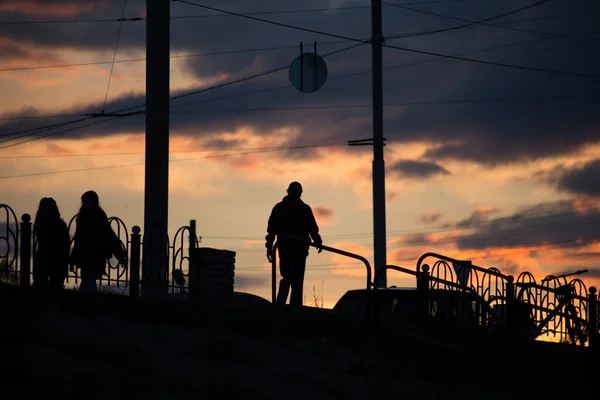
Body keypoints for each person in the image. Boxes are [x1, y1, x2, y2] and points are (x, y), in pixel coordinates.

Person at [265, 181, 323, 306]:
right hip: (296, 248)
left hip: (289, 248)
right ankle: (291, 307)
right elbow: (312, 228)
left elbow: (271, 231)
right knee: (295, 279)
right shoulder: (302, 209)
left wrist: (269, 247)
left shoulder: (281, 208)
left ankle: (282, 305)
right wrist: (317, 241)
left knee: (288, 278)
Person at [69, 190, 126, 293]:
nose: (84, 204)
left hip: (94, 253)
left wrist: (120, 255)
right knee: (87, 279)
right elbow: (78, 239)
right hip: (88, 253)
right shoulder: (87, 217)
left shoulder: (95, 217)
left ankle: (88, 303)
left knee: (88, 279)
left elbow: (109, 237)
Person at [32, 197, 71, 290]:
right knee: (52, 287)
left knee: (47, 287)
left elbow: (65, 244)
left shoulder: (41, 223)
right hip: (53, 259)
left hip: (52, 259)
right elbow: (66, 244)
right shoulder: (57, 224)